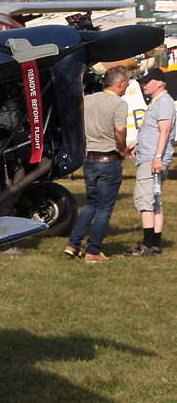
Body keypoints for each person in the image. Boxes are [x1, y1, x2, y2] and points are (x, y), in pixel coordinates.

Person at [66, 66, 130, 263]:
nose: (126, 86)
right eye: (126, 83)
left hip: (90, 158)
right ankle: (93, 250)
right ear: (119, 83)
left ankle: (74, 244)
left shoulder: (88, 99)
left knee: (91, 204)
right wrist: (122, 148)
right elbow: (120, 129)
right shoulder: (119, 103)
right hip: (108, 159)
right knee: (104, 208)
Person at [126, 68, 174, 256]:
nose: (143, 85)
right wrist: (136, 143)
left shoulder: (163, 102)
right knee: (154, 201)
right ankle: (154, 244)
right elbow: (154, 129)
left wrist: (157, 157)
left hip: (153, 160)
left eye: (148, 81)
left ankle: (147, 244)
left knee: (145, 200)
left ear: (160, 83)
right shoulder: (158, 102)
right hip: (151, 157)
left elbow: (165, 131)